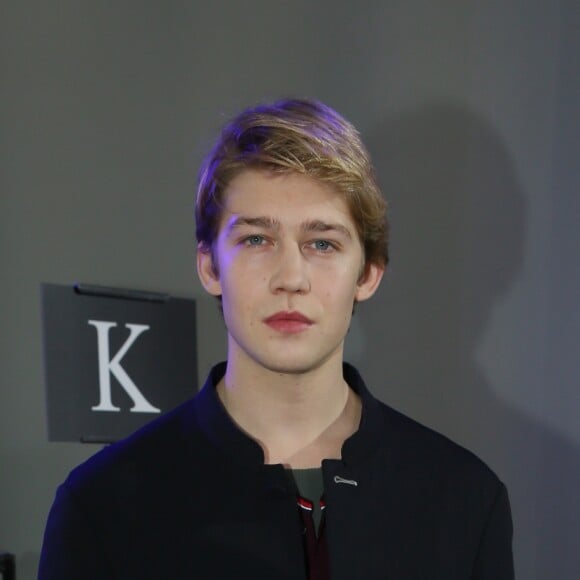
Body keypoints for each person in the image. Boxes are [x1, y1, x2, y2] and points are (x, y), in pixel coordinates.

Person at [39, 98, 514, 579]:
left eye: (322, 243)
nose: (291, 277)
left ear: (368, 274)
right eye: (256, 240)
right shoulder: (104, 505)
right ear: (209, 267)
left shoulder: (463, 497)